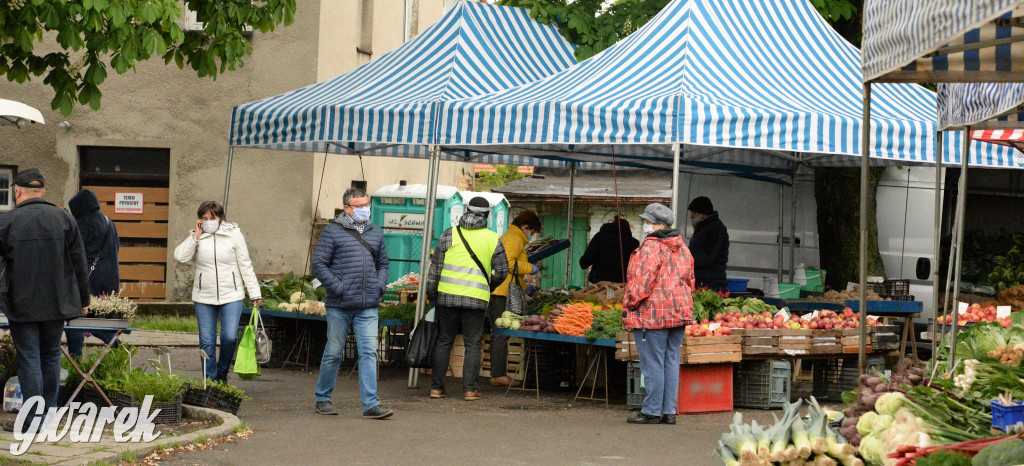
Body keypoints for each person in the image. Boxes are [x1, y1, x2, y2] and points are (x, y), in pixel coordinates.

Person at [0, 169, 90, 433]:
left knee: (29, 358)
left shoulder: (7, 221)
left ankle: (32, 420)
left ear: (17, 191)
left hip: (20, 301)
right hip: (57, 301)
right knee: (51, 355)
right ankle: (48, 418)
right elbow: (80, 263)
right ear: (42, 191)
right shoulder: (64, 218)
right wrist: (83, 298)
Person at [310, 188, 392, 419]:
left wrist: (380, 286)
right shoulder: (332, 232)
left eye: (367, 204)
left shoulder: (375, 231)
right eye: (359, 205)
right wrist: (339, 287)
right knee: (334, 352)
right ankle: (323, 398)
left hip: (368, 304)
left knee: (368, 352)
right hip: (340, 305)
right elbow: (319, 266)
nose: (365, 209)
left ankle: (371, 404)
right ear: (347, 208)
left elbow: (383, 263)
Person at [426, 196, 509, 401]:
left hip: (447, 297)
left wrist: (432, 294)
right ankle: (470, 390)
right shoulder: (492, 238)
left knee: (445, 340)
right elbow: (502, 270)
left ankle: (437, 388)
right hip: (476, 299)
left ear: (466, 211)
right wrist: (488, 286)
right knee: (472, 343)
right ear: (487, 215)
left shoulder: (449, 234)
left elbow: (434, 269)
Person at [173, 201, 261, 383]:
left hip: (232, 295)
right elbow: (180, 257)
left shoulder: (234, 234)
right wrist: (195, 236)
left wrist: (254, 292)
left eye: (212, 218)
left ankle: (222, 374)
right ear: (199, 221)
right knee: (207, 341)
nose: (208, 221)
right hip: (204, 296)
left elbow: (245, 264)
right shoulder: (197, 236)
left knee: (229, 337)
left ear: (220, 218)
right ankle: (210, 382)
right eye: (204, 218)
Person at [622, 202, 694, 425]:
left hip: (653, 315)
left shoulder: (651, 247)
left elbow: (641, 282)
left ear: (655, 224)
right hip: (678, 313)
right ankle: (669, 411)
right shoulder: (682, 247)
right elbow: (690, 282)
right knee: (671, 361)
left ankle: (652, 411)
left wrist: (629, 304)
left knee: (652, 363)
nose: (644, 225)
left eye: (646, 222)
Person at [488, 210, 542, 387]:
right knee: (500, 334)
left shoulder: (513, 237)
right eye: (532, 231)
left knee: (501, 333)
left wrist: (526, 288)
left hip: (507, 290)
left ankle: (498, 374)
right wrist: (529, 267)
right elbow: (508, 265)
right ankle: (497, 375)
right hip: (501, 293)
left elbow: (512, 273)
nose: (531, 235)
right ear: (525, 227)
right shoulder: (513, 238)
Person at [66, 189, 120, 358]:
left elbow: (76, 253)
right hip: (109, 279)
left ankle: (76, 359)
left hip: (87, 279)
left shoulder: (82, 224)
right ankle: (116, 347)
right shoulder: (108, 221)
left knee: (76, 320)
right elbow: (116, 247)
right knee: (94, 318)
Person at [579, 216, 639, 284]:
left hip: (600, 280)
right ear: (627, 228)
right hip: (622, 283)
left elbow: (588, 257)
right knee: (617, 294)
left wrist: (583, 263)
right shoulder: (634, 243)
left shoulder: (600, 237)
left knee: (600, 294)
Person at [687, 196, 729, 292]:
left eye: (694, 212)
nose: (691, 216)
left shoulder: (715, 229)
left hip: (711, 285)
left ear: (704, 213)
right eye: (691, 213)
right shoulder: (702, 228)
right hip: (703, 282)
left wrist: (685, 258)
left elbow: (706, 258)